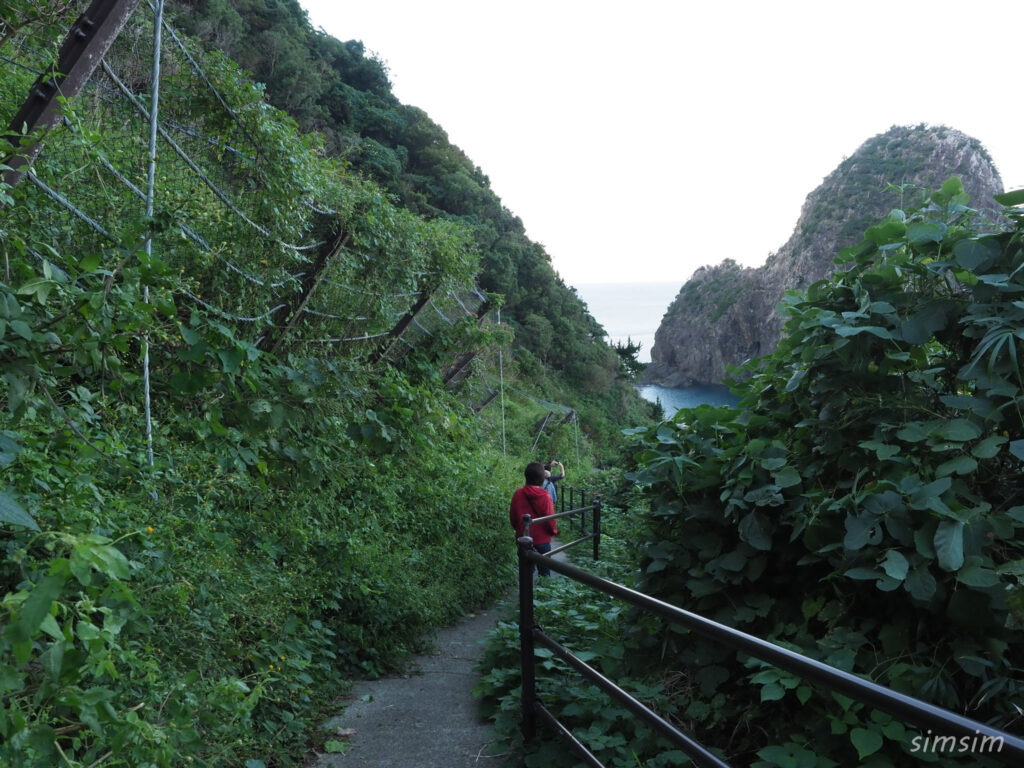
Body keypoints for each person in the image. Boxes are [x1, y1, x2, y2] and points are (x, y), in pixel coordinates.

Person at [509, 460, 558, 576]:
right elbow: (550, 519)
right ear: (542, 479)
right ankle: (544, 593)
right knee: (544, 573)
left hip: (523, 538)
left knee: (526, 573)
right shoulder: (545, 496)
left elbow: (513, 517)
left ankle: (526, 593)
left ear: (526, 476)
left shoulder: (518, 494)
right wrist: (553, 531)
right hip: (542, 540)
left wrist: (519, 530)